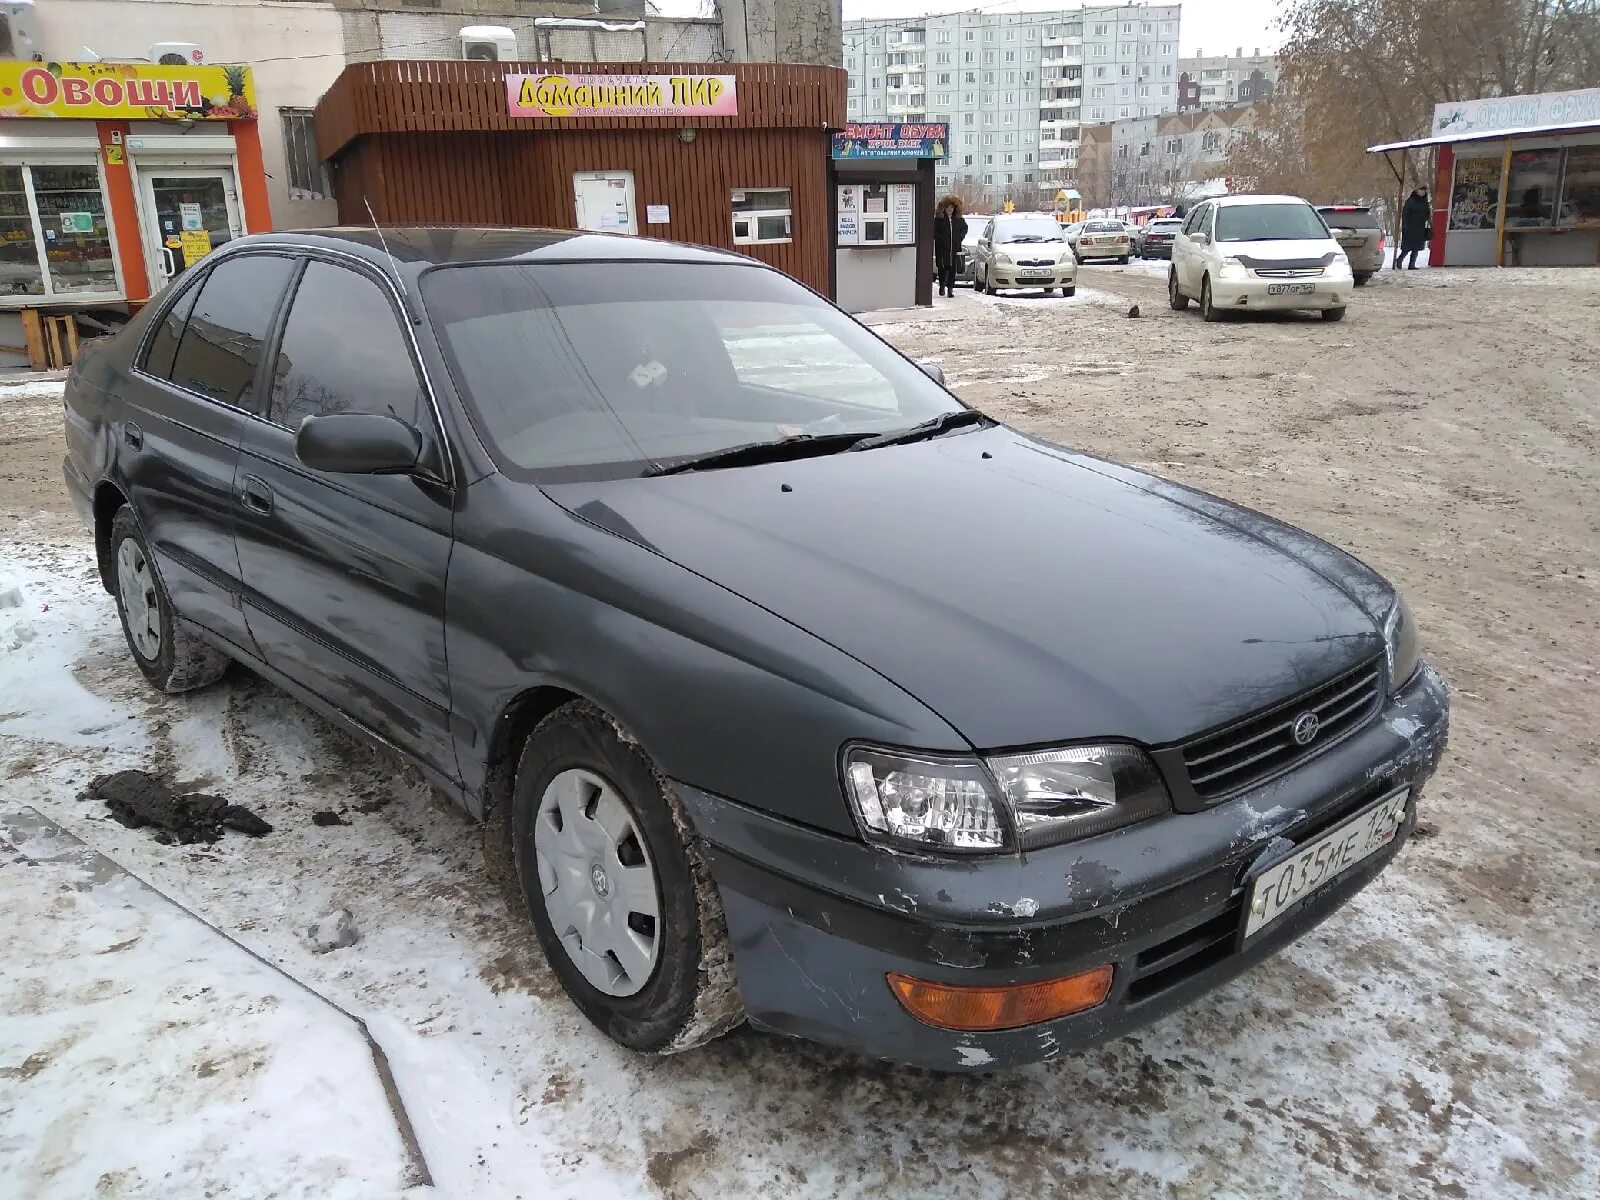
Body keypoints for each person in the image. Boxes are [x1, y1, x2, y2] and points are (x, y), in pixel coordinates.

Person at [933, 196, 968, 297]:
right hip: (942, 249)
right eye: (948, 207)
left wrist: (959, 238)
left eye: (952, 207)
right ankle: (942, 285)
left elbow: (964, 229)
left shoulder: (958, 220)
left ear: (955, 209)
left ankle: (950, 289)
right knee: (942, 268)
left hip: (954, 249)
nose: (950, 210)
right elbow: (934, 232)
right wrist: (941, 239)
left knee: (952, 269)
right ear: (944, 208)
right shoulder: (939, 220)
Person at [1398, 186, 1431, 270]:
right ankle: (1399, 260)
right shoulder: (1410, 201)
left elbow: (1427, 213)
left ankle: (1412, 264)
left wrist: (1426, 219)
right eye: (1421, 191)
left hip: (1420, 227)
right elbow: (1405, 214)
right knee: (1407, 247)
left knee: (1416, 248)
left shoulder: (1424, 202)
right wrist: (1405, 225)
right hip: (1410, 227)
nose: (1422, 192)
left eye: (1424, 191)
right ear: (1416, 191)